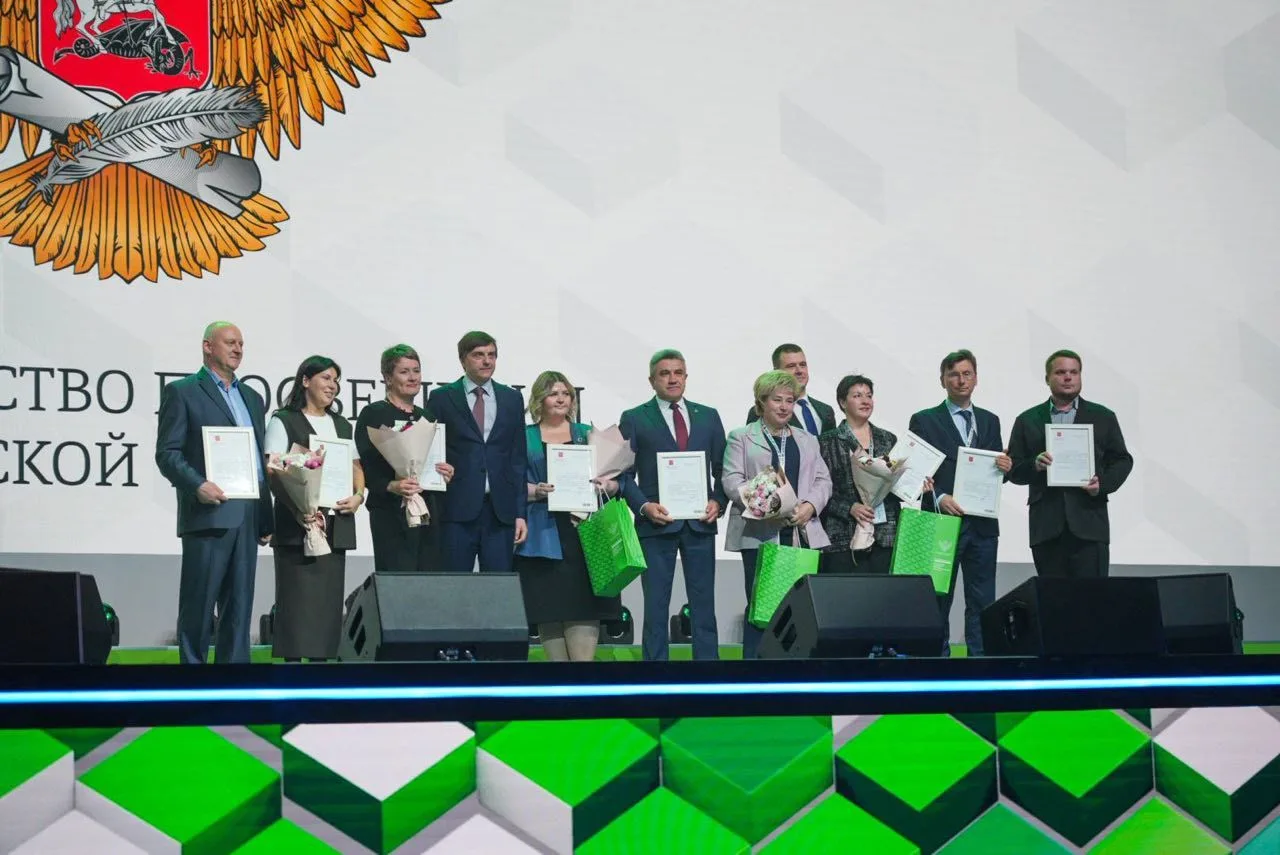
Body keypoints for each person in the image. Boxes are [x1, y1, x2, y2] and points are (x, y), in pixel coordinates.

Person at [155, 321, 273, 665]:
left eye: (241, 344)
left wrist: (265, 515)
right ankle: (194, 679)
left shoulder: (252, 397)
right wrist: (197, 485)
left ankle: (235, 680)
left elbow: (257, 460)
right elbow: (167, 454)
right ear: (208, 346)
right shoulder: (183, 392)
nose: (237, 349)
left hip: (247, 515)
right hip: (208, 513)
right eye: (230, 342)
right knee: (199, 605)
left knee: (239, 607)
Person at [619, 349, 727, 661]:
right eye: (664, 373)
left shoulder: (708, 416)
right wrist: (644, 507)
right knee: (655, 608)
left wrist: (718, 501)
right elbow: (623, 474)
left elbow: (723, 469)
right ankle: (655, 677)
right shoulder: (634, 418)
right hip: (656, 524)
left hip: (700, 523)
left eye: (678, 372)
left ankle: (708, 677)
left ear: (686, 377)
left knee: (704, 606)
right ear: (652, 380)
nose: (672, 378)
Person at [908, 350, 1010, 657]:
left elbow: (994, 473)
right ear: (942, 380)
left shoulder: (990, 421)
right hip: (943, 522)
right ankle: (938, 664)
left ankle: (979, 664)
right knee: (939, 597)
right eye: (953, 375)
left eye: (967, 374)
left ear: (976, 378)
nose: (961, 380)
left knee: (983, 600)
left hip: (983, 526)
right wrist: (939, 497)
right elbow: (915, 471)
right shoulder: (925, 420)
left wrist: (1005, 468)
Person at [264, 356, 366, 662]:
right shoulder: (284, 420)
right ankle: (293, 673)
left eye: (336, 380)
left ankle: (322, 672)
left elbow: (355, 467)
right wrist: (298, 508)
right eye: (326, 378)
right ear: (305, 381)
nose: (332, 386)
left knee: (327, 606)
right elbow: (273, 468)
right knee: (296, 605)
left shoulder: (341, 424)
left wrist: (358, 496)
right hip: (297, 524)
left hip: (335, 524)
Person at [724, 370, 831, 659]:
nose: (784, 407)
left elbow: (823, 480)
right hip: (760, 533)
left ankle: (798, 673)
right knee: (761, 607)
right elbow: (731, 481)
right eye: (777, 400)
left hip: (801, 532)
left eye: (790, 400)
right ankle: (754, 673)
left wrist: (810, 506)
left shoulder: (807, 439)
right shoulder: (741, 437)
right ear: (762, 402)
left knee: (801, 611)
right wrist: (768, 508)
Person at [515, 371, 622, 661]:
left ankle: (582, 682)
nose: (561, 399)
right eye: (553, 393)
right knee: (549, 611)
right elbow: (509, 484)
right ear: (539, 399)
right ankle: (560, 684)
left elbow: (616, 481)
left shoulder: (587, 434)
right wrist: (536, 490)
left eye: (566, 393)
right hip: (541, 539)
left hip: (584, 537)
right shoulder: (524, 437)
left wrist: (608, 485)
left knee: (583, 609)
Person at [1007, 350, 1133, 578]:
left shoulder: (1103, 416)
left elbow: (1122, 460)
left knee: (1092, 598)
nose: (1068, 377)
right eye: (1060, 372)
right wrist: (1034, 465)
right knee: (1052, 598)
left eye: (1074, 372)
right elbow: (1013, 469)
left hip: (1090, 525)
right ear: (1047, 378)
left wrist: (1102, 484)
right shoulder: (1027, 420)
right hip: (1046, 527)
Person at [427, 331, 528, 572]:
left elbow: (517, 460)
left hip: (500, 511)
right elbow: (430, 450)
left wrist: (520, 513)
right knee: (454, 585)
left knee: (497, 586)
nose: (486, 361)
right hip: (456, 509)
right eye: (478, 355)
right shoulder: (442, 398)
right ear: (463, 360)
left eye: (492, 355)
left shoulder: (512, 399)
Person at [355, 345, 454, 573]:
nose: (413, 377)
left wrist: (444, 473)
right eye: (404, 372)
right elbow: (365, 465)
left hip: (428, 512)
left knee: (428, 579)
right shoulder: (374, 413)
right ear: (388, 378)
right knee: (397, 579)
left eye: (416, 371)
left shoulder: (427, 417)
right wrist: (391, 485)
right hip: (390, 513)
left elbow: (433, 462)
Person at [818, 374, 910, 575]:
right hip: (843, 536)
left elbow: (896, 485)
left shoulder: (888, 439)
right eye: (857, 395)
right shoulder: (827, 442)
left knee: (882, 594)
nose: (865, 401)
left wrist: (918, 486)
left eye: (869, 395)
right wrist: (849, 508)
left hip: (885, 536)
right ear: (842, 402)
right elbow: (819, 492)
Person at [745, 344, 837, 435]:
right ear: (777, 371)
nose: (799, 371)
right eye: (791, 366)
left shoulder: (826, 411)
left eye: (803, 365)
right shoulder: (763, 411)